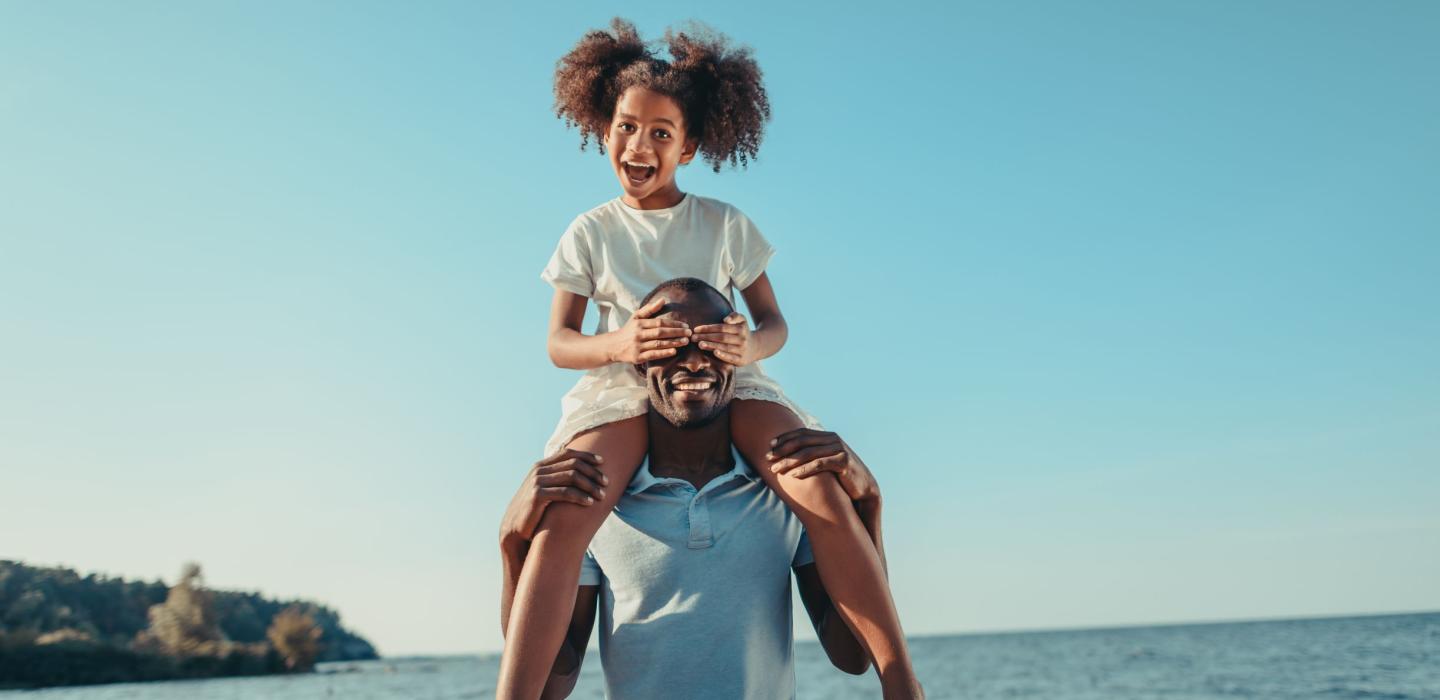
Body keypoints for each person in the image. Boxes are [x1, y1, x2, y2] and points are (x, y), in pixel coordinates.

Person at [496, 19, 921, 699]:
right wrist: (622, 344)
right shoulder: (591, 230)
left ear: (689, 146)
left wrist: (744, 346)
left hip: (726, 381)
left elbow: (775, 321)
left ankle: (904, 682)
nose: (640, 144)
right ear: (604, 128)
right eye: (627, 128)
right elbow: (560, 342)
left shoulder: (723, 222)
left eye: (661, 133)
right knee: (564, 518)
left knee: (816, 483)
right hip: (622, 388)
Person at [501, 279, 912, 699]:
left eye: (713, 345)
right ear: (640, 364)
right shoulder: (597, 493)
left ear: (738, 357)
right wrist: (513, 545)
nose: (695, 362)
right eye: (672, 346)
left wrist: (868, 505)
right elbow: (554, 683)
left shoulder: (787, 486)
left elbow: (852, 656)